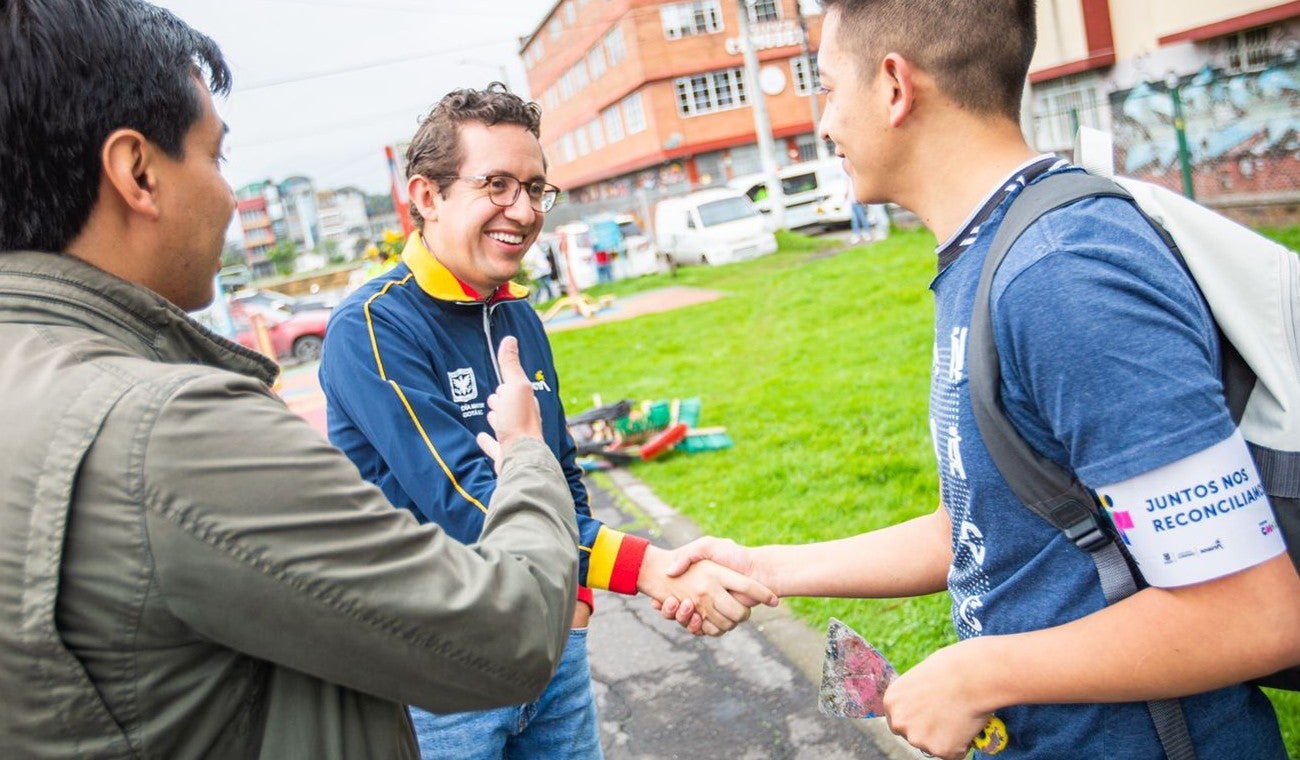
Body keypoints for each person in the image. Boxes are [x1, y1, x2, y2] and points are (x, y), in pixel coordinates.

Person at [658, 1, 1300, 758]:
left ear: (895, 87)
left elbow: (1251, 612)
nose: (823, 124)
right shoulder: (987, 251)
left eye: (827, 89)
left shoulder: (1061, 274)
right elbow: (978, 528)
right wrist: (765, 566)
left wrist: (978, 673)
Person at [0, 2, 583, 756]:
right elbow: (504, 625)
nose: (230, 198)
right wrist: (527, 454)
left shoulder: (33, 376)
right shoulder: (177, 424)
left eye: (536, 189)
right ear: (138, 172)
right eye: (214, 158)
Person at [318, 84, 775, 759]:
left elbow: (561, 471)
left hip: (552, 650)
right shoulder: (371, 329)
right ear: (425, 196)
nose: (524, 211)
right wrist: (642, 567)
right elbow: (471, 503)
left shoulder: (517, 314)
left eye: (536, 188)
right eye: (497, 185)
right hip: (443, 679)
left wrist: (578, 599)